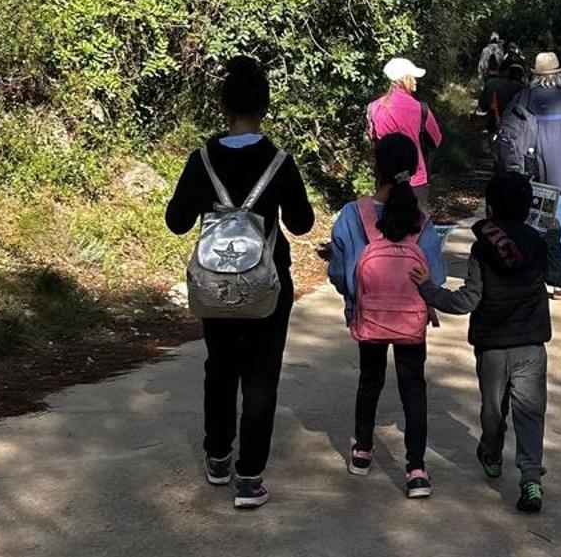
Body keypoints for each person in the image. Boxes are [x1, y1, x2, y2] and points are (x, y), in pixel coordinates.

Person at [165, 55, 315, 510]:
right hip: (268, 284)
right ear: (265, 106)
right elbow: (303, 223)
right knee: (261, 376)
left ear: (223, 105)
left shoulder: (202, 160)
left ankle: (217, 456)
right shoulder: (279, 162)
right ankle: (249, 478)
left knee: (220, 367)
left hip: (216, 286)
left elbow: (176, 221)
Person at [410, 173, 561, 514]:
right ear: (529, 209)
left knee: (493, 409)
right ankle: (530, 479)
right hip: (531, 345)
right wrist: (554, 237)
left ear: (490, 207)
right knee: (530, 412)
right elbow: (558, 278)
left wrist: (428, 290)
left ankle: (492, 452)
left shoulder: (483, 248)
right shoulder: (538, 243)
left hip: (493, 345)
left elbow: (467, 300)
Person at [327, 133, 448, 499]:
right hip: (411, 318)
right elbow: (437, 277)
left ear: (374, 166)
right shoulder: (421, 221)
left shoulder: (353, 214)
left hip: (369, 315)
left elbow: (339, 272)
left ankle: (363, 450)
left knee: (370, 379)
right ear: (412, 171)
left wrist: (353, 298)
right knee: (413, 386)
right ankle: (415, 469)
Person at [503, 52, 561, 296]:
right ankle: (559, 282)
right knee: (560, 230)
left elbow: (507, 136)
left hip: (525, 178)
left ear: (534, 75)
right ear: (558, 75)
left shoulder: (521, 98)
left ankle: (528, 278)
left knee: (527, 228)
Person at [366, 57, 443, 210]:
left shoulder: (373, 108)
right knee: (416, 227)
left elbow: (372, 138)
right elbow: (436, 140)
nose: (415, 81)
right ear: (405, 79)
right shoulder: (420, 109)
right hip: (415, 180)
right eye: (413, 77)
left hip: (386, 179)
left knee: (386, 226)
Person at [478, 55, 524, 134]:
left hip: (494, 126)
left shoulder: (490, 83)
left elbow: (483, 106)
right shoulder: (523, 88)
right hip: (515, 128)